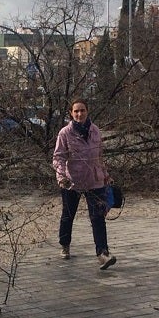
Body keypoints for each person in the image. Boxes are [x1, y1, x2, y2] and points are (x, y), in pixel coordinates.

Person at [52, 99, 117, 270]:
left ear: (88, 111)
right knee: (68, 215)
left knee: (98, 217)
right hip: (71, 181)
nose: (79, 114)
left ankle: (103, 254)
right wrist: (62, 177)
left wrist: (105, 175)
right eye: (76, 111)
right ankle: (65, 244)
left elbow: (99, 156)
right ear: (71, 114)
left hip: (94, 181)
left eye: (82, 110)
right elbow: (58, 157)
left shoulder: (95, 131)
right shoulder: (65, 133)